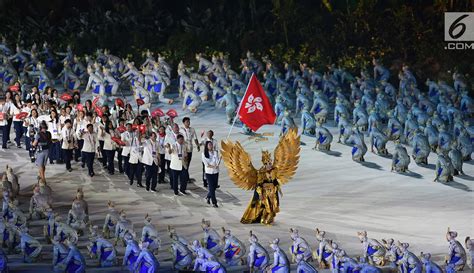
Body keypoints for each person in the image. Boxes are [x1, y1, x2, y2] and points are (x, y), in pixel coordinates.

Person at [181, 117, 200, 183]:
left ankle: (185, 177)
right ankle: (185, 177)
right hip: (184, 148)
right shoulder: (181, 130)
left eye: (189, 121)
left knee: (188, 163)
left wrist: (197, 145)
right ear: (183, 123)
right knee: (185, 163)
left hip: (190, 148)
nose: (188, 123)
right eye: (187, 122)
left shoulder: (192, 129)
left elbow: (195, 138)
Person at [202, 141, 220, 207]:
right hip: (209, 173)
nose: (211, 146)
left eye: (211, 145)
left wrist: (219, 159)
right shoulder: (204, 154)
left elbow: (217, 162)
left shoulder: (215, 152)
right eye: (209, 145)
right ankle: (214, 202)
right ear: (206, 146)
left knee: (214, 187)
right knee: (211, 188)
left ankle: (208, 196)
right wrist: (213, 166)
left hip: (215, 172)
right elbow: (206, 164)